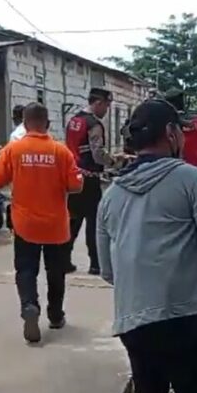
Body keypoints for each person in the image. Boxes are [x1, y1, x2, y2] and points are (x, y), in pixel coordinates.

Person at [96, 99, 197, 393]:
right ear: (173, 133)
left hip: (135, 322)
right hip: (184, 320)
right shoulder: (191, 180)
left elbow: (108, 270)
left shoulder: (112, 194)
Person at [0, 102, 83, 343]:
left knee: (26, 269)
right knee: (56, 271)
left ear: (24, 123)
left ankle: (30, 305)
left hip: (25, 224)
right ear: (48, 124)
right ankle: (55, 315)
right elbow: (76, 185)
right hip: (56, 224)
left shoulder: (13, 149)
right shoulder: (61, 151)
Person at [64, 87, 122, 275]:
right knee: (93, 222)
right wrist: (114, 161)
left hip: (74, 177)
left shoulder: (74, 120)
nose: (107, 110)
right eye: (106, 105)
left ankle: (63, 260)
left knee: (72, 220)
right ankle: (95, 263)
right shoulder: (93, 124)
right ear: (98, 103)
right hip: (89, 179)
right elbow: (97, 153)